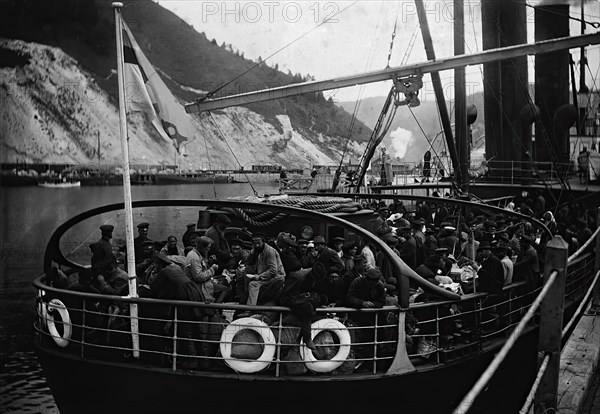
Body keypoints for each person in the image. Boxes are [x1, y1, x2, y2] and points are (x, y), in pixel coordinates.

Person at [245, 233, 286, 306]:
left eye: (259, 243)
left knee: (253, 284)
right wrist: (252, 253)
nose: (257, 245)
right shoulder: (258, 251)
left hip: (276, 277)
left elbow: (273, 270)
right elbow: (248, 262)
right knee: (247, 270)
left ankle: (250, 307)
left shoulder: (269, 251)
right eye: (255, 244)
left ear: (263, 242)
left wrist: (259, 276)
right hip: (267, 276)